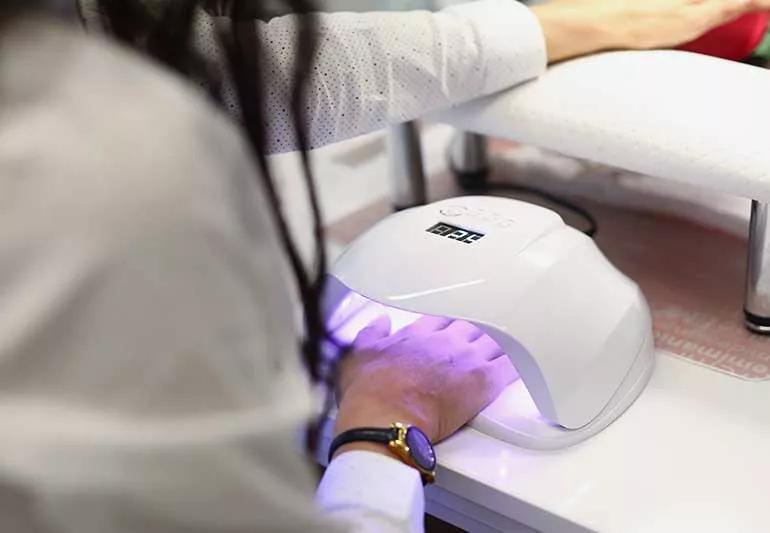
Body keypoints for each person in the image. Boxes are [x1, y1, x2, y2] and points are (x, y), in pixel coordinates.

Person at [0, 1, 767, 531]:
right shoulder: (84, 177)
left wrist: (545, 29)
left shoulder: (82, 81)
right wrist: (384, 433)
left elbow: (224, 70)